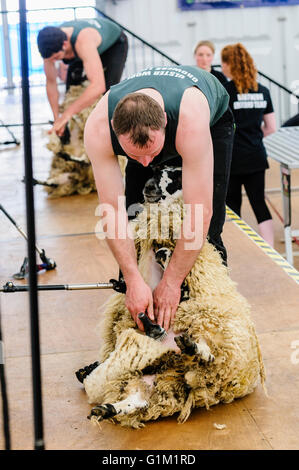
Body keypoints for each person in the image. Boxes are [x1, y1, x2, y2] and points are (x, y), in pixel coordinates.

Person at [84, 65, 234, 332]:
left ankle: (212, 318)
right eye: (134, 155)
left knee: (209, 231)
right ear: (114, 131)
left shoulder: (191, 121)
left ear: (164, 120)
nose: (146, 163)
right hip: (155, 131)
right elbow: (112, 212)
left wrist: (172, 282)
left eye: (152, 153)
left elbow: (201, 213)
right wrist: (132, 279)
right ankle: (134, 312)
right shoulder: (97, 130)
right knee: (133, 220)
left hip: (212, 119)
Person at [221, 43, 276, 247]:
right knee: (259, 202)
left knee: (232, 205)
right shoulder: (263, 91)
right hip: (256, 156)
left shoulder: (225, 93)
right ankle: (269, 248)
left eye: (223, 63)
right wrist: (253, 136)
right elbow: (271, 127)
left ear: (229, 64)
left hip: (233, 158)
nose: (222, 67)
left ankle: (235, 247)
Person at [37, 17, 128, 137]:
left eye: (56, 57)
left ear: (64, 44)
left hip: (114, 45)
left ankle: (105, 136)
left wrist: (67, 115)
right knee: (71, 93)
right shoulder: (50, 47)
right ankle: (69, 137)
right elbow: (51, 83)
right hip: (77, 49)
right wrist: (57, 119)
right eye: (51, 59)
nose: (54, 61)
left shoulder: (83, 41)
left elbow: (98, 86)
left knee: (105, 95)